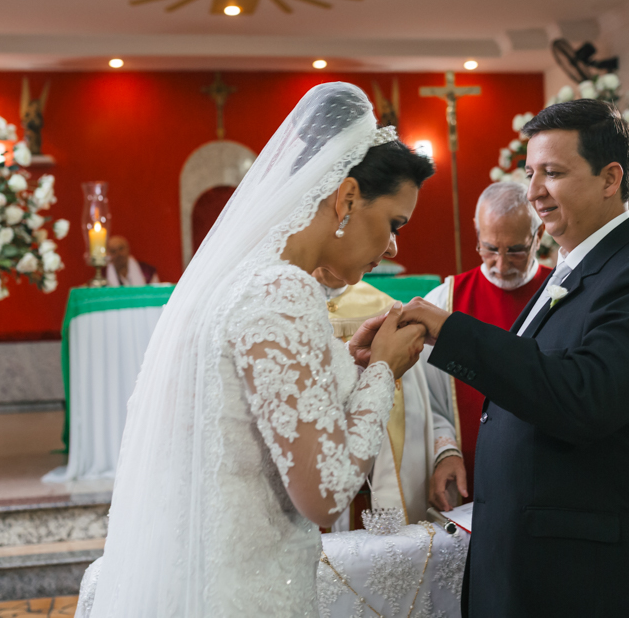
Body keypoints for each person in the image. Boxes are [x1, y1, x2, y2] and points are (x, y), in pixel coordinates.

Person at [75, 83, 433, 617]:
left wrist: (351, 365)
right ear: (347, 198)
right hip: (244, 588)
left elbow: (243, 416)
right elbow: (326, 493)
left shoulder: (239, 280)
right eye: (394, 224)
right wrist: (384, 371)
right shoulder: (281, 290)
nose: (394, 246)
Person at [402, 99, 629, 617]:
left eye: (553, 173)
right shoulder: (575, 269)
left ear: (610, 178)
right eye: (531, 173)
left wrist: (450, 331)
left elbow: (582, 397)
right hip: (538, 563)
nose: (534, 192)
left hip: (601, 578)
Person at [420, 182, 552, 510]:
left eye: (516, 250)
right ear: (477, 235)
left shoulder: (561, 293)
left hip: (547, 478)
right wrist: (445, 452)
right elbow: (427, 399)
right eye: (490, 248)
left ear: (538, 235)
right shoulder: (443, 302)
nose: (501, 265)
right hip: (468, 479)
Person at [313, 267, 434, 527]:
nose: (390, 250)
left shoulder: (383, 307)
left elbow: (413, 405)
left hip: (370, 475)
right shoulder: (280, 309)